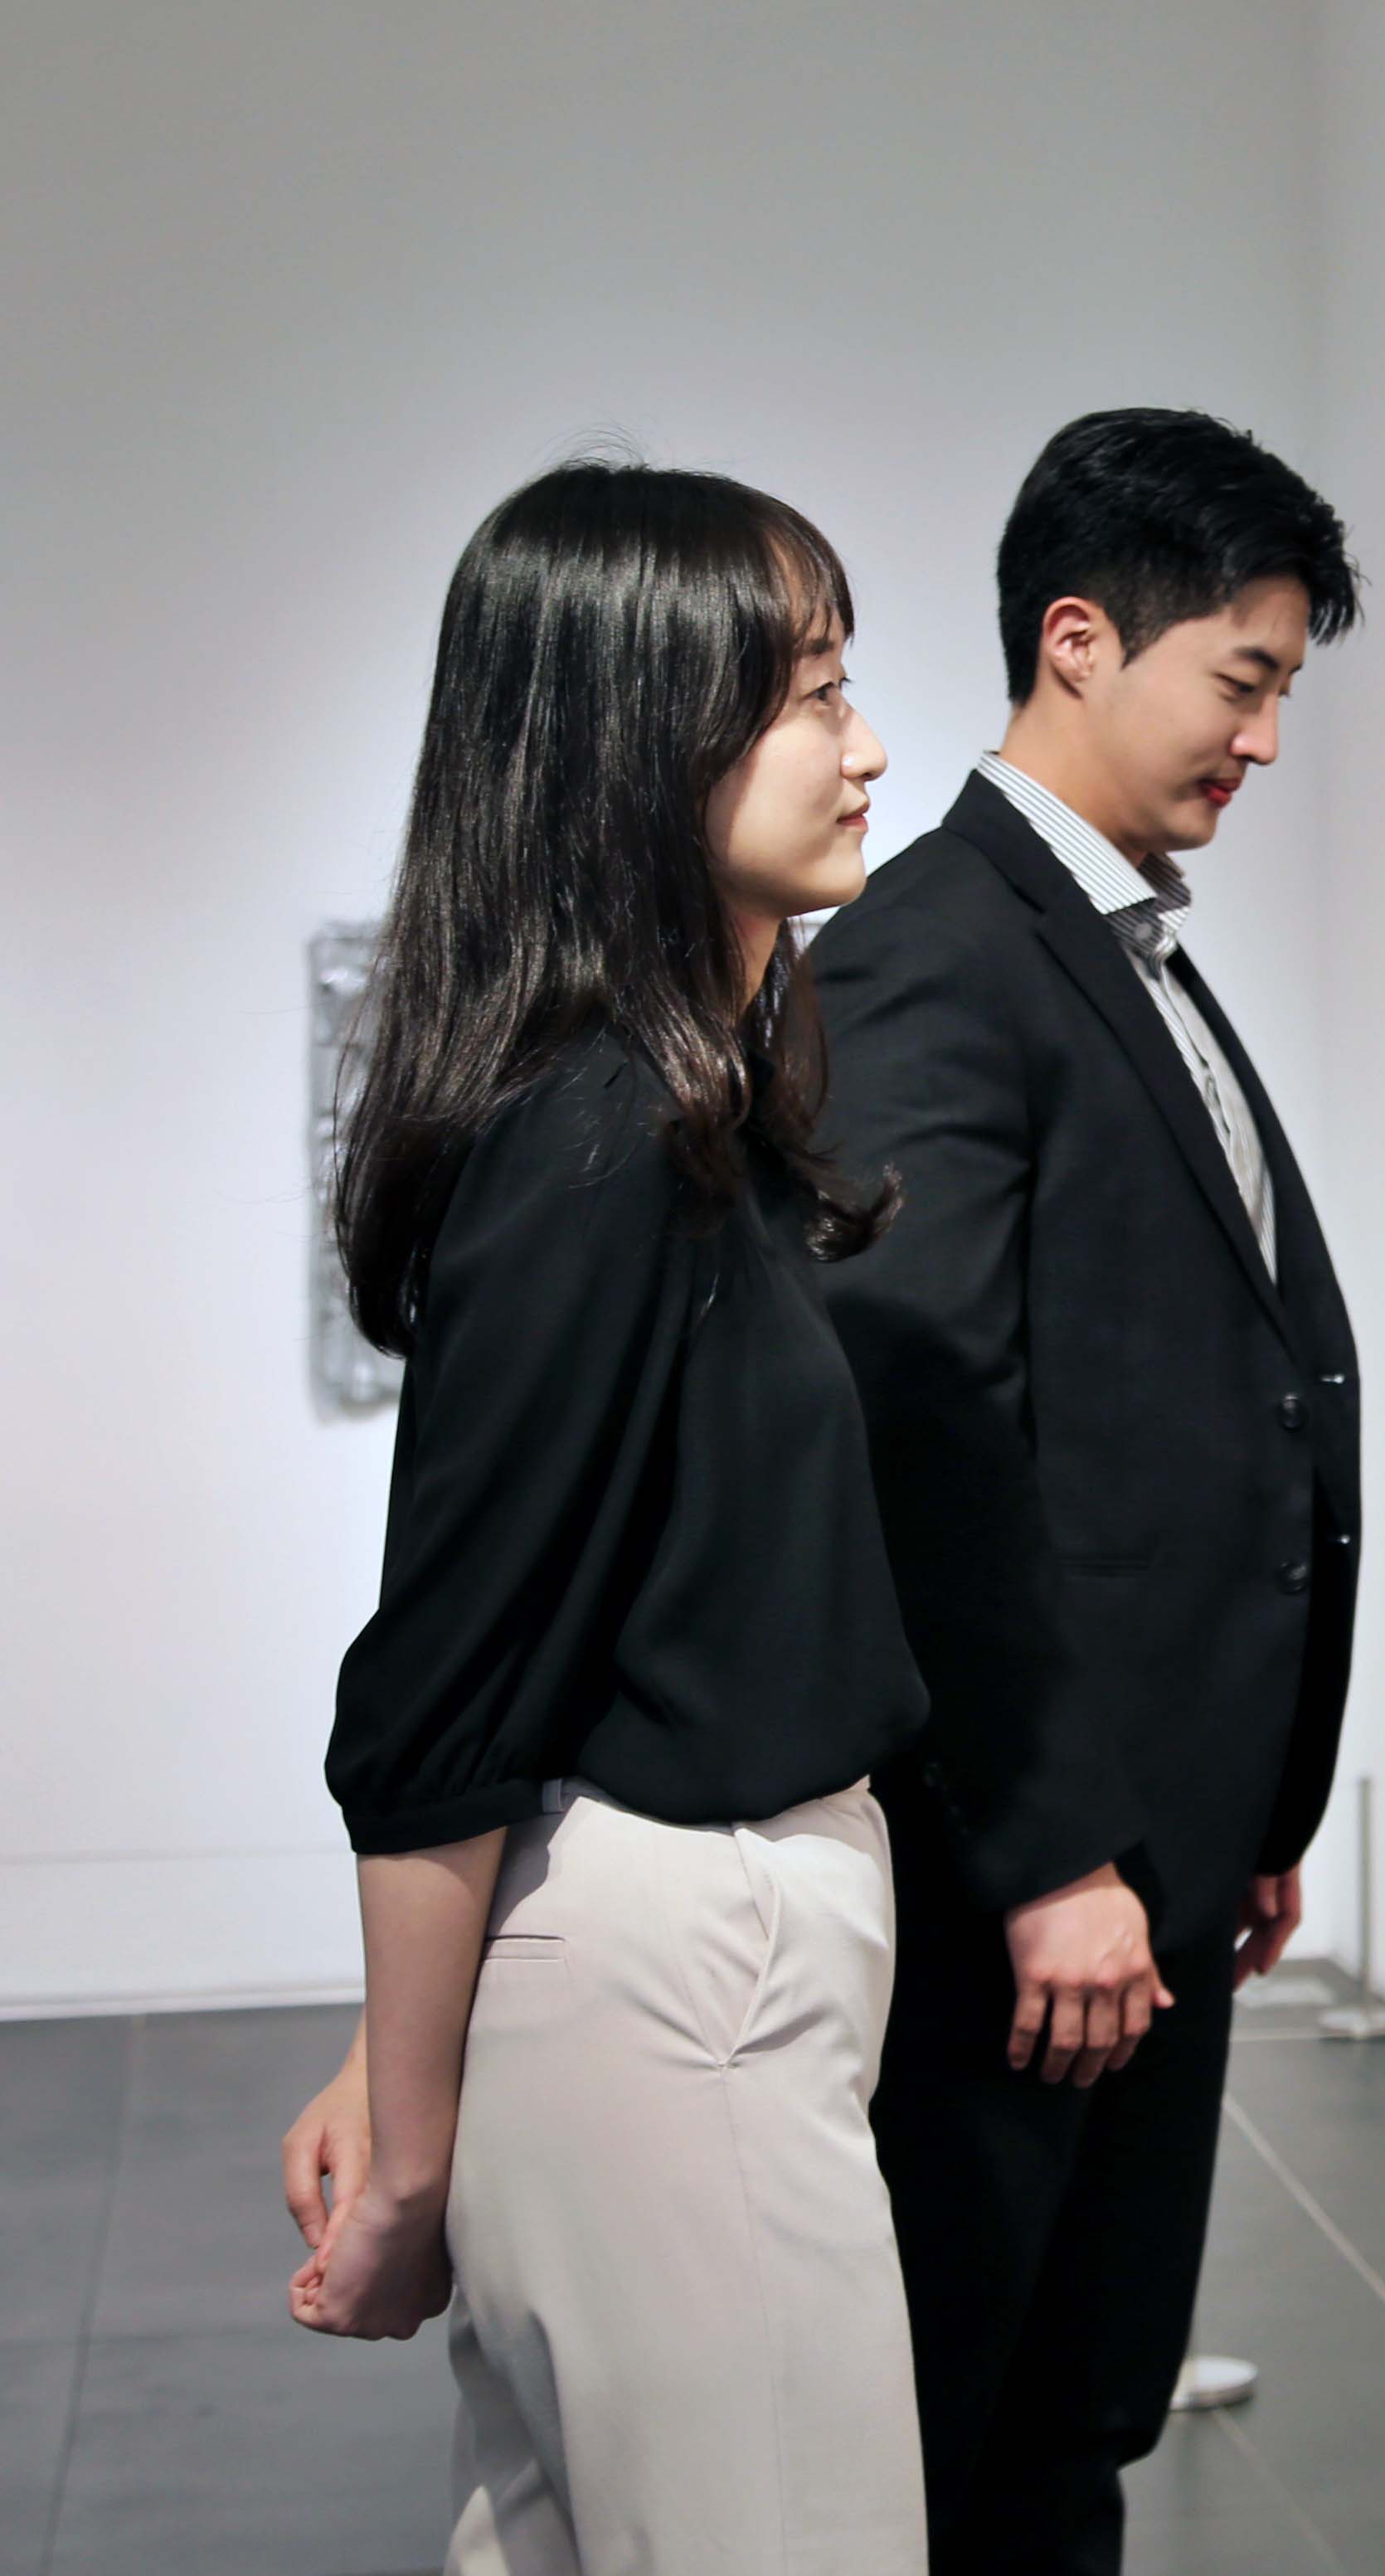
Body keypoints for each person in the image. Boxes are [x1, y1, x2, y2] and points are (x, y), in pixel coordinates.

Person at [276, 460, 931, 2574]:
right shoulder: (604, 1140)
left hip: (664, 1954)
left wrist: (404, 2059)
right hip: (684, 1969)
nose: (867, 745)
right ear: (642, 737)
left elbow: (516, 1654)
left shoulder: (675, 1117)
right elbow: (446, 1684)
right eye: (809, 695)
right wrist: (407, 2135)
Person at [810, 406, 1364, 2574]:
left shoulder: (1122, 944)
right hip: (1037, 1890)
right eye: (1243, 680)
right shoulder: (937, 948)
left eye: (1284, 690)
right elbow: (914, 1409)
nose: (1266, 740)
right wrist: (1051, 1848)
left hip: (1161, 1848)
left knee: (1074, 2409)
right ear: (1076, 639)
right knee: (971, 2431)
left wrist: (1247, 1810)